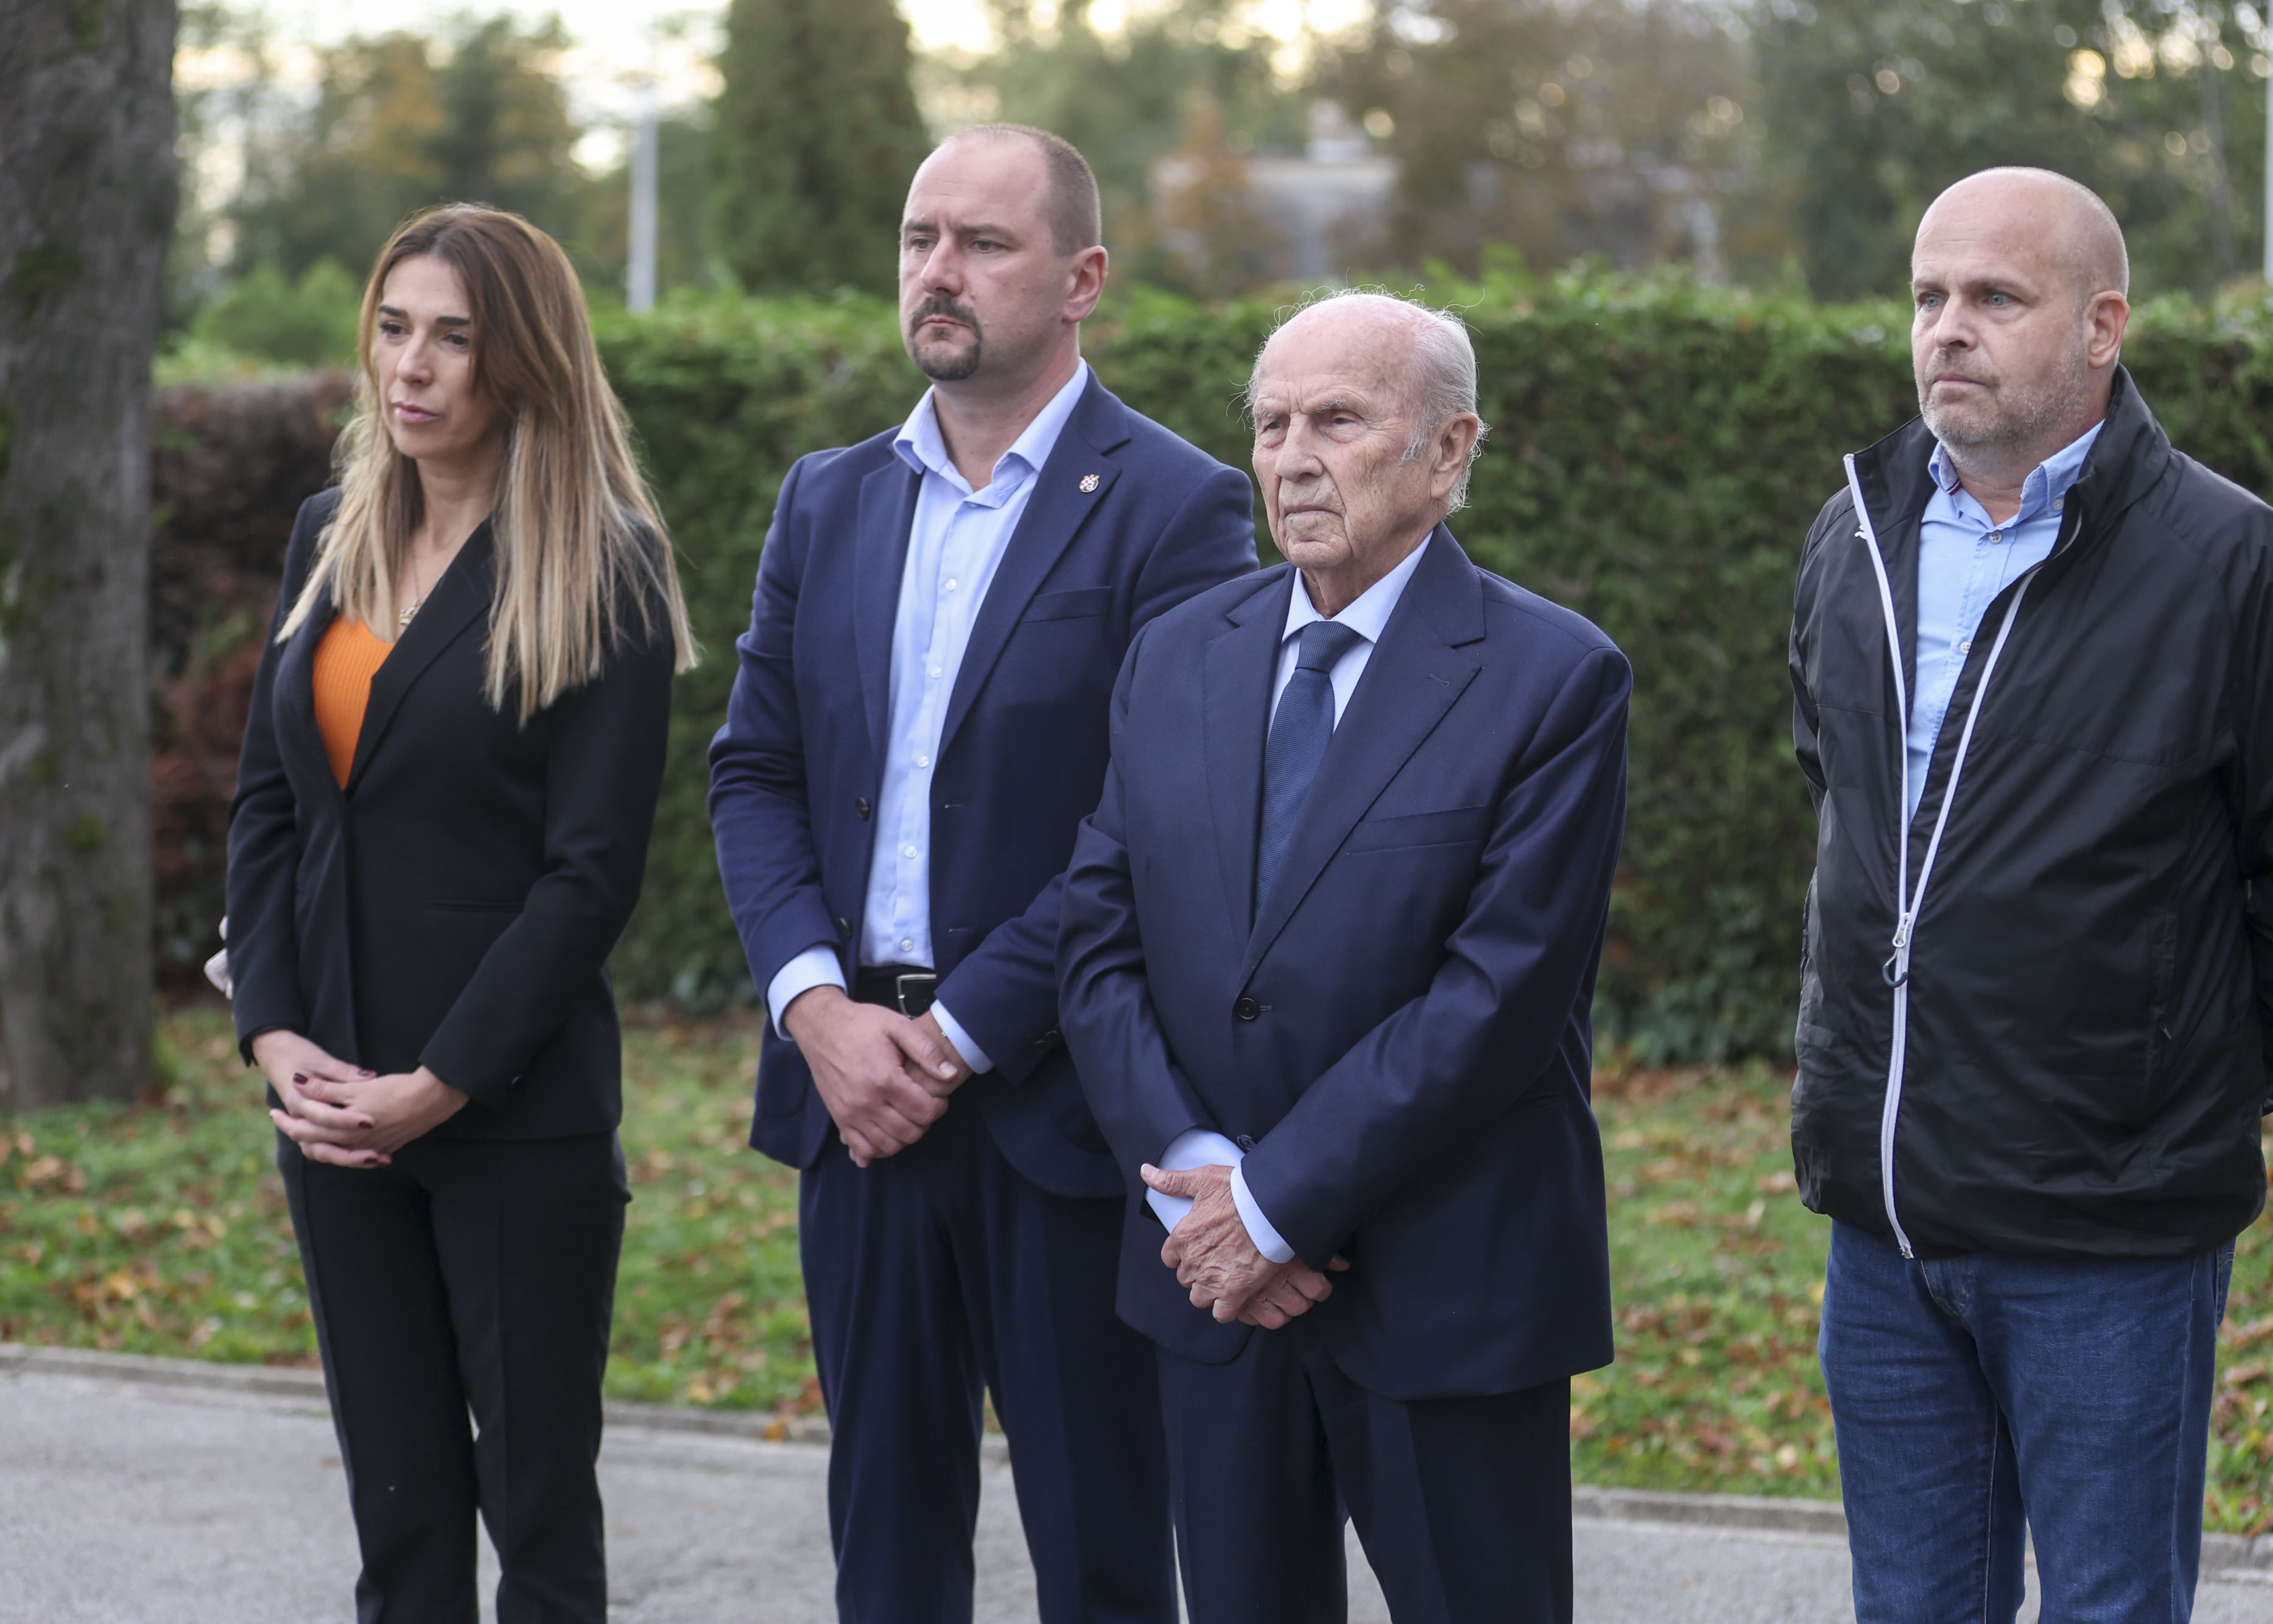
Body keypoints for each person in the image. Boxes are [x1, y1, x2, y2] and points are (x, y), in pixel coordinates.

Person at [1787, 167, 2273, 1622]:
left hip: (2107, 1235)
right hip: (1882, 1228)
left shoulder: (2235, 566)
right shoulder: (1852, 535)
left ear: (2099, 327)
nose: (1947, 328)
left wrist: (2169, 1070)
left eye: (1994, 296)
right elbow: (1849, 811)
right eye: (1927, 296)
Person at [706, 125, 1256, 1623]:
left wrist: (951, 1036)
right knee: (883, 1548)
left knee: (1099, 1553)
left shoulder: (1177, 506)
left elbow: (1158, 824)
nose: (936, 271)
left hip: (1055, 1106)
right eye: (917, 238)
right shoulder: (826, 497)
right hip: (850, 1104)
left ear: (1081, 278)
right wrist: (815, 1009)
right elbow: (754, 770)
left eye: (982, 243)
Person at [1057, 290, 1632, 1623]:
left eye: (1336, 420)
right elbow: (1097, 938)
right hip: (1211, 1283)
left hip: (1445, 1284)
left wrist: (1273, 1207)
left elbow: (1495, 999)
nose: (1293, 458)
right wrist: (1197, 1184)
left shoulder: (1553, 678)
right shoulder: (1174, 657)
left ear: (1449, 450)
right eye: (1270, 425)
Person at [223, 205, 694, 1622]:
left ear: (523, 360)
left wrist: (437, 1083)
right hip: (332, 1105)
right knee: (400, 1518)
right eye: (392, 328)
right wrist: (275, 1035)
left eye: (453, 337)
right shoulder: (328, 535)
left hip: (510, 1114)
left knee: (538, 1521)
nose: (410, 367)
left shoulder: (602, 563)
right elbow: (272, 808)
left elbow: (589, 875)